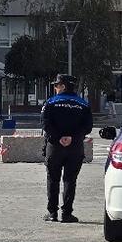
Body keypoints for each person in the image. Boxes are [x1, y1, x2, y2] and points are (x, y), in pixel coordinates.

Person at [41, 73, 93, 223]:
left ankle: (52, 213)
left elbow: (45, 123)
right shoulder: (83, 104)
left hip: (55, 146)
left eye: (56, 85)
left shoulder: (50, 103)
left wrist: (58, 137)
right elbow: (87, 127)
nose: (55, 88)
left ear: (63, 86)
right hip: (75, 147)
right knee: (70, 180)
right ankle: (67, 214)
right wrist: (72, 138)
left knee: (53, 179)